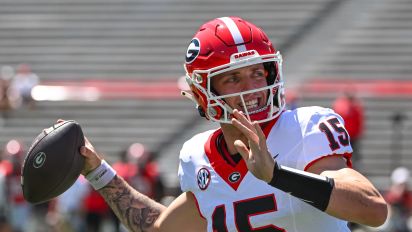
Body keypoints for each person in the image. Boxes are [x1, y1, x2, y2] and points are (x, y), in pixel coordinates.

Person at [76, 16, 388, 231]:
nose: (252, 86)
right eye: (233, 78)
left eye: (257, 72)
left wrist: (277, 176)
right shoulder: (196, 155)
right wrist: (97, 170)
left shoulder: (307, 126)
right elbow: (160, 228)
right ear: (203, 94)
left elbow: (373, 209)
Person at [332, 89, 364, 167]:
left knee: (354, 154)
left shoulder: (355, 106)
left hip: (352, 135)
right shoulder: (341, 104)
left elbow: (359, 120)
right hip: (343, 135)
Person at [383, 167, 412, 232]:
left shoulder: (408, 196)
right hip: (392, 221)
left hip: (404, 221)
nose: (402, 186)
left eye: (403, 184)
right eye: (400, 184)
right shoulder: (390, 195)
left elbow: (409, 211)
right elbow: (388, 211)